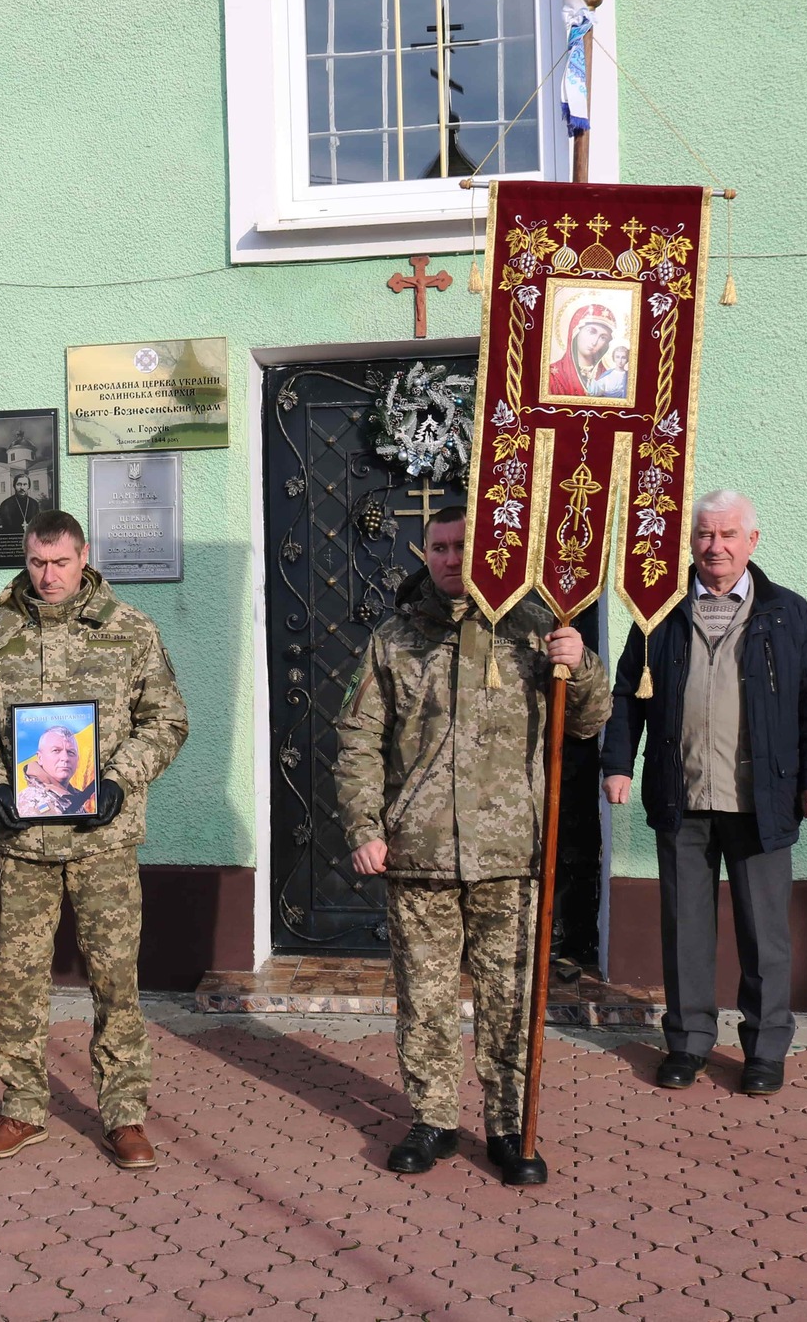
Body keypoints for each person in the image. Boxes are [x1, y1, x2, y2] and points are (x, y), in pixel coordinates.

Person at [335, 505, 609, 1185]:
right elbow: (358, 738)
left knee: (509, 998)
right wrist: (365, 827)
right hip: (420, 852)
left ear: (489, 548)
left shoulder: (534, 630)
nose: (453, 557)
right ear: (423, 552)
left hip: (510, 855)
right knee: (424, 999)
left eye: (464, 544)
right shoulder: (395, 640)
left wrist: (583, 666)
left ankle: (511, 1126)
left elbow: (588, 720)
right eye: (441, 546)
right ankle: (432, 1119)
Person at [0, 510, 188, 1169]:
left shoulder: (129, 631)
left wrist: (117, 779)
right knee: (19, 980)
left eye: (60, 562)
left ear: (84, 555)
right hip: (25, 844)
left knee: (115, 980)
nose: (48, 575)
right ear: (25, 560)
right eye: (36, 562)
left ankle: (124, 1114)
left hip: (103, 841)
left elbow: (167, 720)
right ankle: (23, 1107)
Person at [602, 490, 807, 1097]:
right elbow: (627, 694)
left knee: (765, 933)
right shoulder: (661, 613)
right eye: (706, 536)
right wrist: (618, 764)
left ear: (752, 542)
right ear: (691, 542)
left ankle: (764, 1050)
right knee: (685, 927)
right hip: (682, 795)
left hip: (764, 800)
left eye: (729, 535)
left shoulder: (788, 614)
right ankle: (686, 1043)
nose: (717, 547)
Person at [17, 725, 94, 818]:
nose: (65, 758)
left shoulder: (76, 798)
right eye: (56, 750)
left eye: (71, 752)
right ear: (40, 758)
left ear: (77, 760)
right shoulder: (30, 800)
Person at [546, 304, 617, 398]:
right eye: (591, 331)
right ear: (576, 331)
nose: (594, 342)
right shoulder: (553, 375)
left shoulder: (608, 377)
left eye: (603, 338)